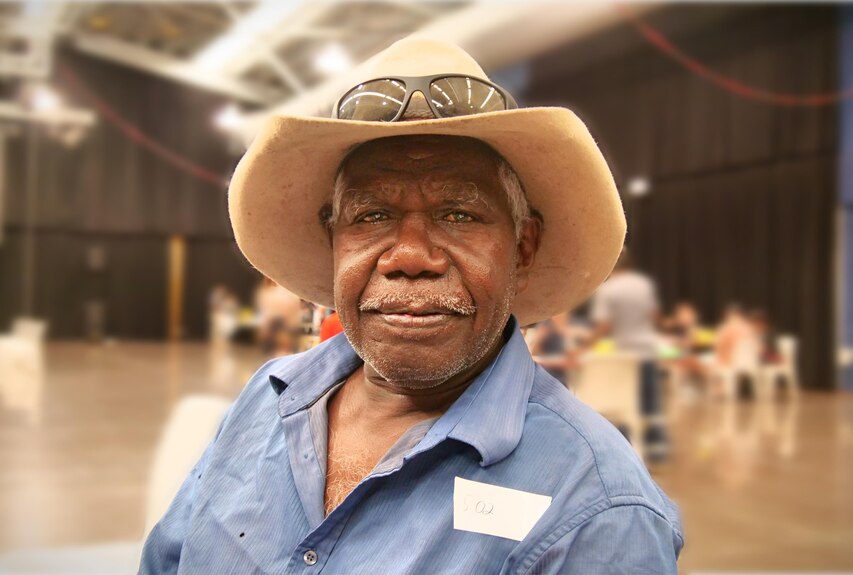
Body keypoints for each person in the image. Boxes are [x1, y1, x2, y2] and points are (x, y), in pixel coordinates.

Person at [140, 38, 682, 574]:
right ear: (334, 241)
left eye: (460, 214)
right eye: (372, 215)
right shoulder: (268, 394)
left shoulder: (598, 510)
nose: (410, 257)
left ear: (522, 246)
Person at [589, 249, 668, 460]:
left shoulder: (608, 290)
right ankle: (658, 451)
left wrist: (585, 345)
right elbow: (654, 315)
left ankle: (627, 448)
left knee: (626, 403)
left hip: (624, 355)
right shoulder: (643, 284)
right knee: (651, 404)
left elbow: (604, 325)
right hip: (647, 348)